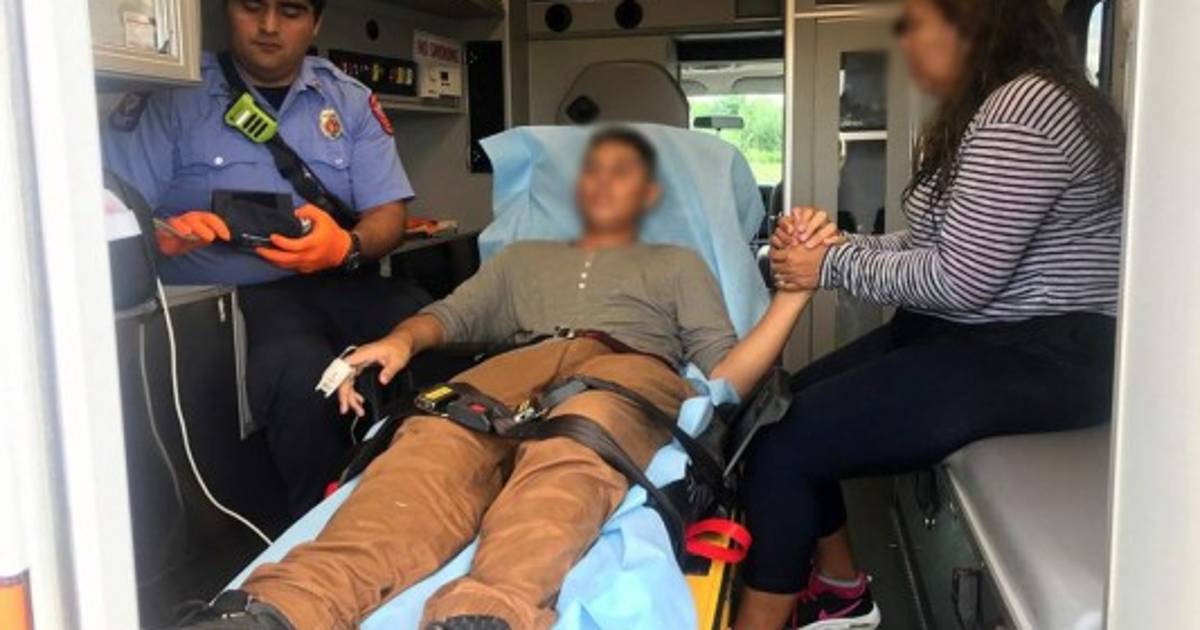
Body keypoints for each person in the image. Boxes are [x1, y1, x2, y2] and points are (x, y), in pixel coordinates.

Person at [176, 128, 840, 630]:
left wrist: (791, 299)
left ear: (651, 195)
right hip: (517, 368)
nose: (603, 182)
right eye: (592, 170)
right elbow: (450, 315)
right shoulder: (521, 260)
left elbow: (723, 372)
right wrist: (399, 341)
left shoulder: (677, 265)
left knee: (578, 444)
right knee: (430, 444)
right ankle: (283, 607)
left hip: (629, 370)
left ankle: (489, 612)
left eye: (624, 172)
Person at [734, 0, 1126, 628]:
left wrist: (826, 265)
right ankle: (842, 591)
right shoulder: (995, 105)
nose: (905, 40)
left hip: (1045, 355)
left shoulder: (1026, 107)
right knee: (782, 407)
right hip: (982, 335)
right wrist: (832, 246)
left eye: (917, 23)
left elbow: (962, 279)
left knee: (785, 442)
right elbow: (930, 246)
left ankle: (781, 613)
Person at [103, 0, 429, 517]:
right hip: (238, 301)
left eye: (292, 11)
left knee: (426, 325)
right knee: (301, 374)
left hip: (337, 277)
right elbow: (110, 209)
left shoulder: (346, 100)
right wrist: (160, 235)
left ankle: (421, 499)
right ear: (226, 11)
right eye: (252, 6)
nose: (270, 25)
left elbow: (388, 213)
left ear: (316, 23)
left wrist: (348, 246)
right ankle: (313, 530)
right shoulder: (173, 98)